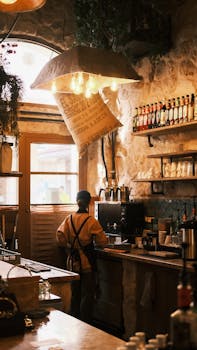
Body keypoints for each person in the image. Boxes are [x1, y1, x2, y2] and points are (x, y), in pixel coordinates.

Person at [56, 190, 108, 324]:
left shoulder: (69, 218)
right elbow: (102, 242)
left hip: (73, 261)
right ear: (89, 202)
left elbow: (60, 236)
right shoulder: (91, 221)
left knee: (75, 292)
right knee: (88, 293)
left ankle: (74, 320)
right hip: (87, 261)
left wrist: (69, 246)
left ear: (76, 201)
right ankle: (85, 323)